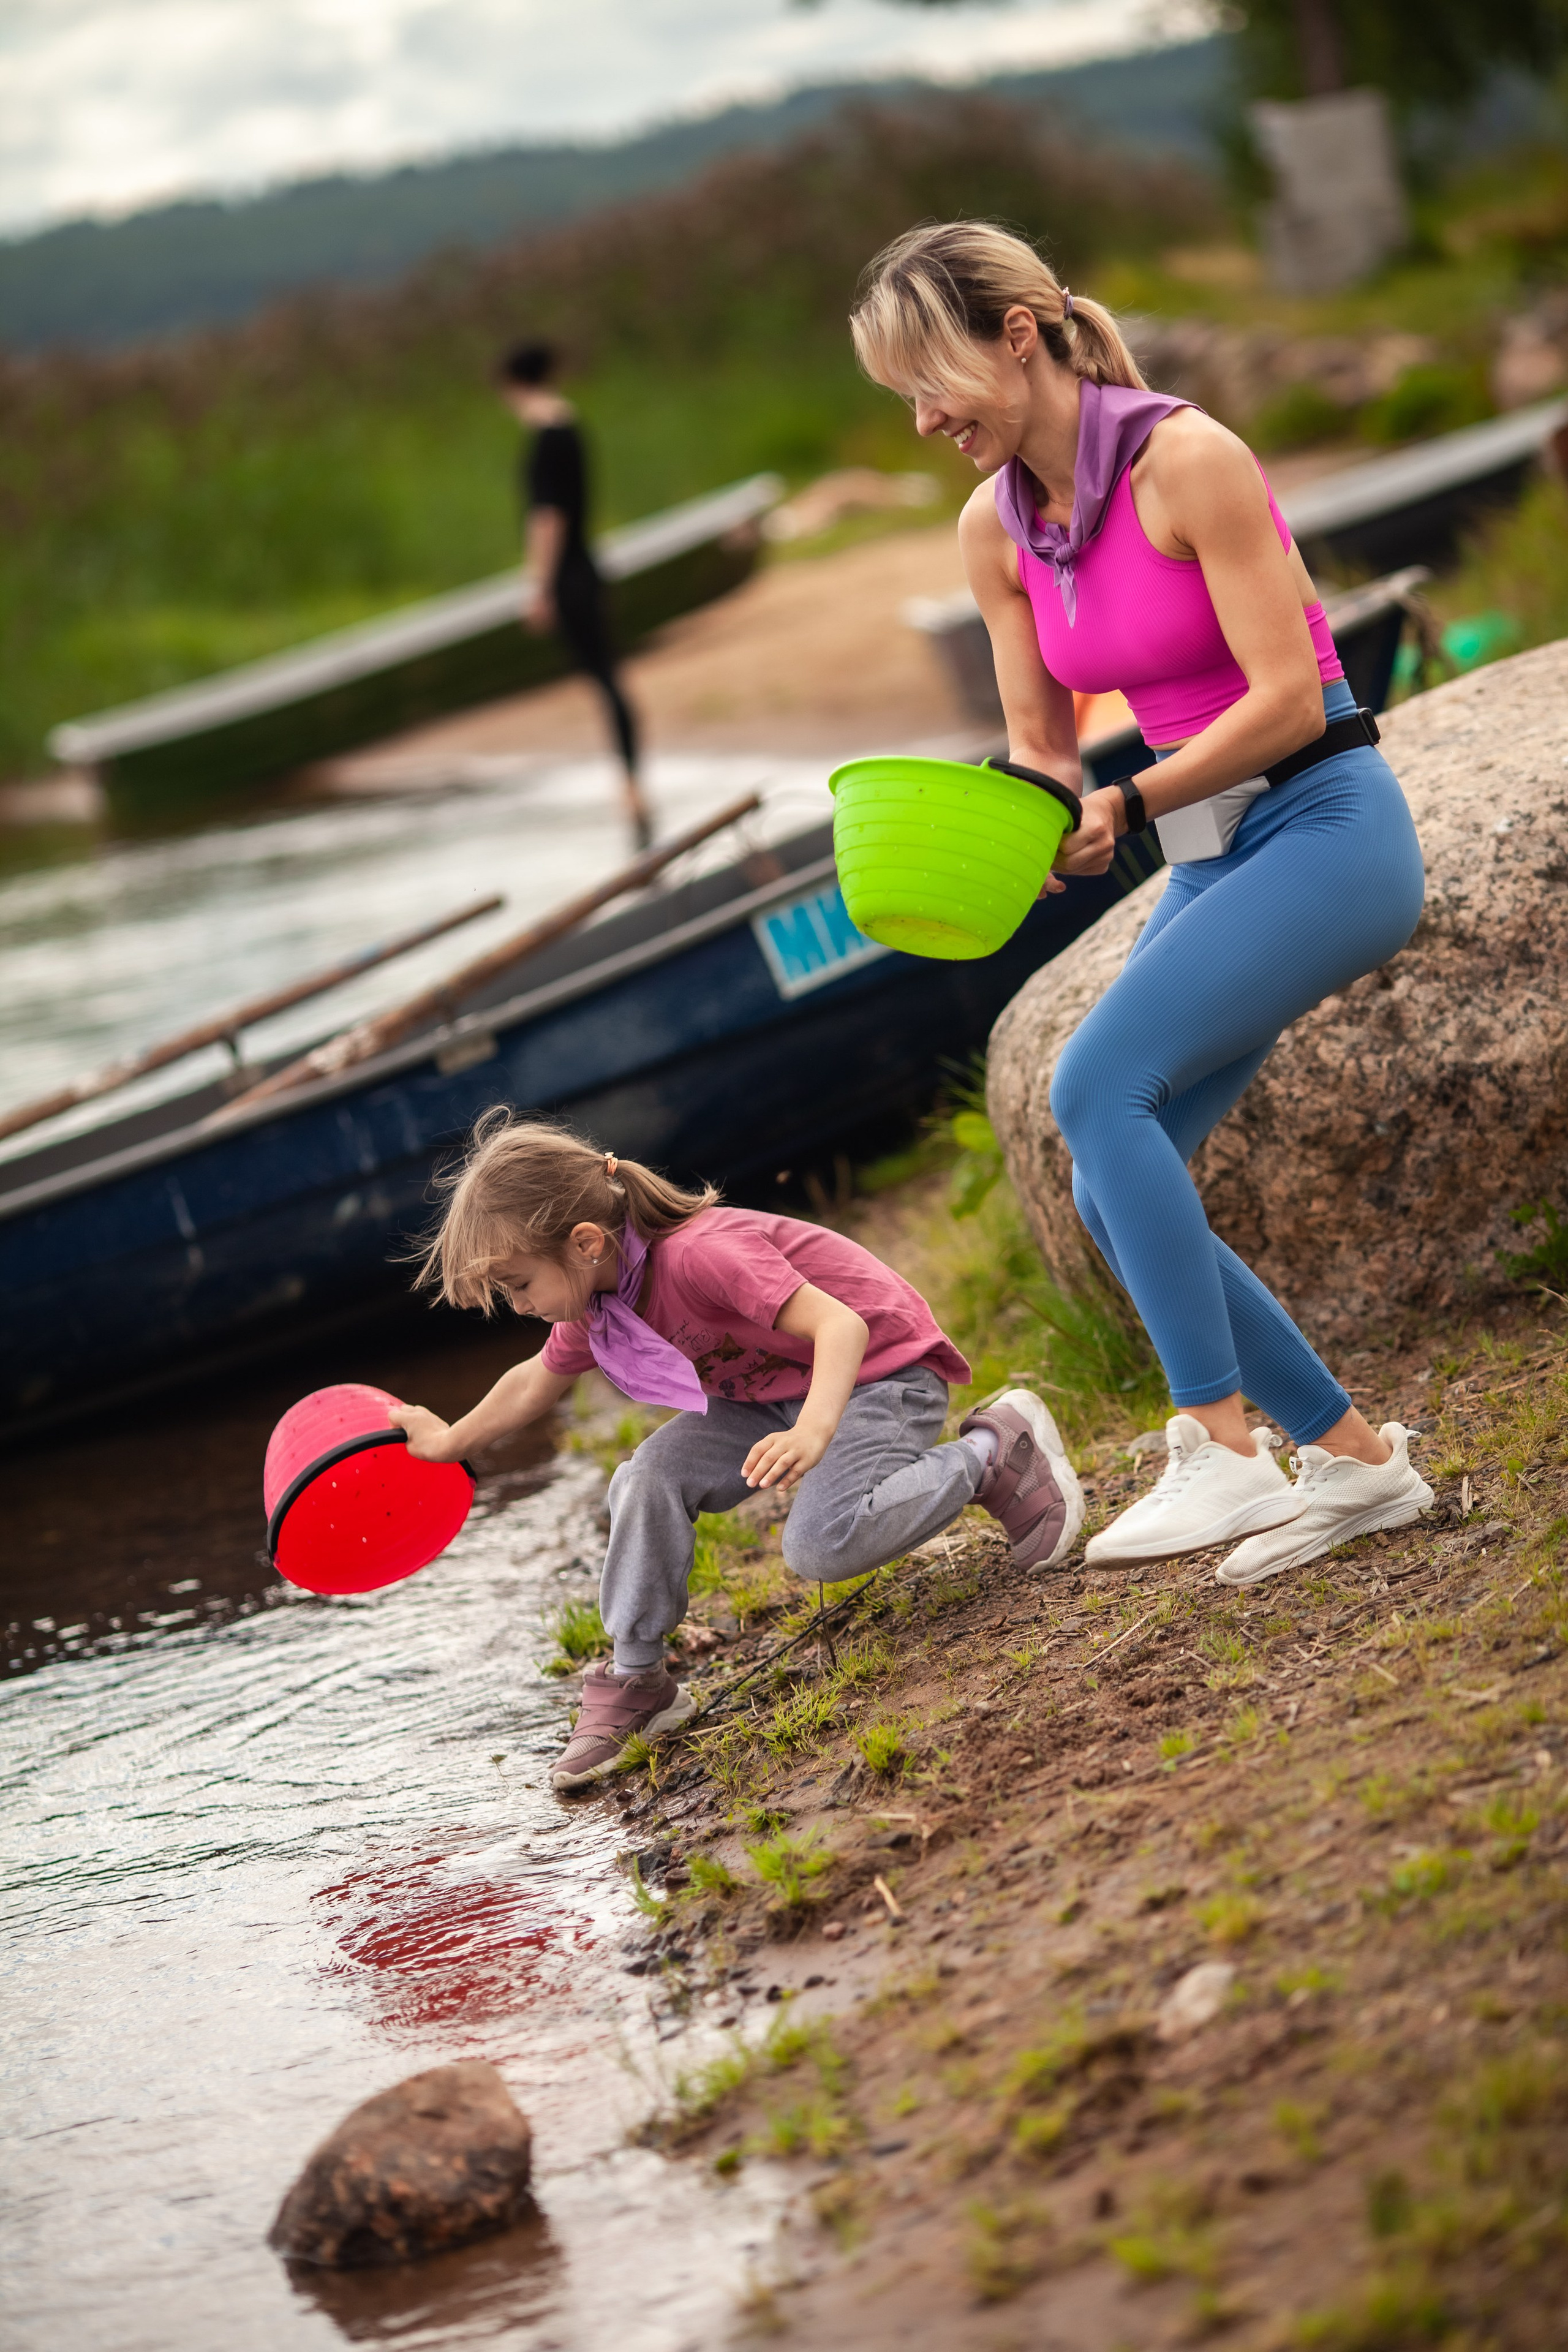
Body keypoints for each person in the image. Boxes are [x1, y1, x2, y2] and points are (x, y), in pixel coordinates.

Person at [850, 222, 1434, 1587]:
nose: (924, 419)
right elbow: (1041, 744)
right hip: (1212, 849)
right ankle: (1352, 1464)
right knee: (1119, 1171)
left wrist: (1136, 796)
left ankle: (1218, 1446)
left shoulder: (1189, 460)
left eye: (930, 381)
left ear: (1016, 333)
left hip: (1325, 824)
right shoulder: (991, 526)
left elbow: (1292, 691)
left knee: (1093, 1086)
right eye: (900, 400)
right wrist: (1028, 815)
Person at [390, 1113, 1084, 1789]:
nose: (519, 1305)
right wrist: (449, 1440)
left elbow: (840, 1327)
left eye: (518, 1285)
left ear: (586, 1241)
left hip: (878, 1375)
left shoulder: (701, 1254)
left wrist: (813, 1431)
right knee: (645, 1479)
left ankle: (993, 1452)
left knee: (821, 1545)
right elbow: (534, 1380)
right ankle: (639, 1680)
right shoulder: (601, 1302)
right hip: (766, 1400)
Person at [498, 340, 654, 850]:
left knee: (603, 678)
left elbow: (548, 518)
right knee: (609, 676)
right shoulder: (572, 425)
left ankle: (631, 786)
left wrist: (539, 587)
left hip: (568, 575)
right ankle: (632, 782)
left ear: (512, 385)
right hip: (589, 565)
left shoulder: (544, 437)